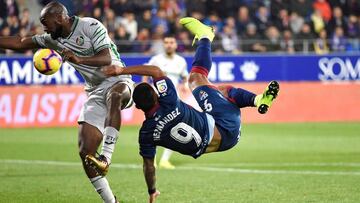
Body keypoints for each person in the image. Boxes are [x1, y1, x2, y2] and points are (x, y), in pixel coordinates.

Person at [102, 17, 280, 202]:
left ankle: (259, 99)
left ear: (137, 106)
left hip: (226, 143)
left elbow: (149, 166)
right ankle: (205, 36)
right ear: (156, 95)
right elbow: (155, 71)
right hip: (224, 124)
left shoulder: (146, 134)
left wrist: (151, 190)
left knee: (220, 91)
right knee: (197, 78)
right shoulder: (169, 99)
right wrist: (120, 71)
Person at [0, 2, 135, 203]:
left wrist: (79, 59)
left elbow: (106, 57)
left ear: (60, 18)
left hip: (118, 79)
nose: (44, 28)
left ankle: (106, 158)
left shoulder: (90, 26)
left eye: (46, 23)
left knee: (114, 95)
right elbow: (20, 42)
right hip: (95, 91)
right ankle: (111, 202)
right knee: (86, 153)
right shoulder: (52, 39)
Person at [143, 34, 188, 169]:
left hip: (174, 101)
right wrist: (146, 88)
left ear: (175, 45)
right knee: (155, 128)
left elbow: (185, 77)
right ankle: (153, 160)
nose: (169, 44)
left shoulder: (181, 61)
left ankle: (164, 160)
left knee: (175, 129)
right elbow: (145, 72)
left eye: (171, 42)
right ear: (163, 44)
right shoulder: (156, 60)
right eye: (166, 42)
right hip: (157, 100)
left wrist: (184, 86)